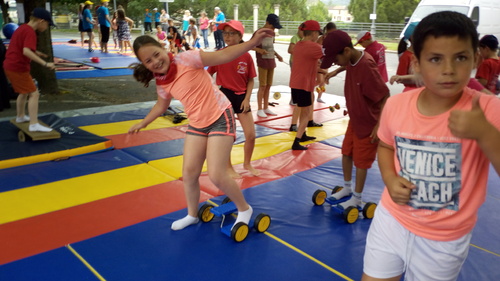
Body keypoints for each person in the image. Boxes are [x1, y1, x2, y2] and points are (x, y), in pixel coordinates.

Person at [362, 11, 500, 281]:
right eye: (435, 59)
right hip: (392, 220)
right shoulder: (397, 105)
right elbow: (386, 146)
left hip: (444, 238)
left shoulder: (487, 109)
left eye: (460, 58)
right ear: (417, 64)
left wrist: (485, 134)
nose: (448, 70)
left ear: (475, 59)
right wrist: (390, 178)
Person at [128, 29, 274, 231]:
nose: (155, 62)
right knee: (188, 173)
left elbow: (223, 55)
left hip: (220, 117)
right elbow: (161, 106)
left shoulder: (187, 58)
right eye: (148, 61)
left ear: (164, 48)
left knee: (216, 174)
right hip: (197, 124)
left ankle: (244, 208)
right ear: (144, 65)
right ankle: (192, 214)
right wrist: (143, 123)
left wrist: (251, 42)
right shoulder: (162, 82)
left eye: (156, 54)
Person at [321, 30, 389, 208]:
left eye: (335, 59)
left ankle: (357, 198)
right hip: (355, 118)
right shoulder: (351, 58)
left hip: (368, 122)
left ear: (346, 51)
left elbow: (385, 96)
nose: (334, 62)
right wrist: (336, 70)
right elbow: (347, 63)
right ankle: (347, 188)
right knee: (346, 152)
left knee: (361, 161)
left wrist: (379, 126)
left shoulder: (367, 67)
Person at [207, 20, 260, 177]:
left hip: (242, 97)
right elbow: (208, 73)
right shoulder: (220, 54)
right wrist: (214, 90)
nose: (227, 36)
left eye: (231, 33)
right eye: (225, 33)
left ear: (240, 36)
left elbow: (251, 79)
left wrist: (247, 98)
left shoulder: (246, 56)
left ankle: (247, 163)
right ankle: (228, 167)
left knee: (250, 134)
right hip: (225, 96)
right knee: (228, 136)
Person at [3, 7, 56, 132]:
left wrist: (37, 52)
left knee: (24, 92)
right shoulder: (30, 32)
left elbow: (22, 46)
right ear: (41, 21)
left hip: (11, 65)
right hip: (17, 67)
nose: (46, 27)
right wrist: (45, 64)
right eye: (47, 24)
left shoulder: (22, 28)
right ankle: (33, 124)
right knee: (34, 93)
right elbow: (26, 51)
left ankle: (20, 117)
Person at [289, 20, 324, 150]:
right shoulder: (314, 47)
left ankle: (302, 134)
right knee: (306, 112)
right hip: (303, 84)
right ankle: (296, 141)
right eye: (318, 34)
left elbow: (308, 62)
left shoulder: (298, 44)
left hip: (296, 82)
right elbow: (329, 56)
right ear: (314, 33)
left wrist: (319, 70)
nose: (318, 37)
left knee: (303, 108)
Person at [253, 14, 283, 118]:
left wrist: (277, 55)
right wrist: (259, 50)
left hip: (271, 61)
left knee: (269, 85)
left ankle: (266, 107)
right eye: (273, 26)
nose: (274, 28)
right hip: (262, 62)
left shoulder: (272, 34)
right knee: (262, 85)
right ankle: (259, 109)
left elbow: (271, 47)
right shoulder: (259, 33)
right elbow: (251, 45)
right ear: (267, 22)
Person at [391, 21, 419, 92]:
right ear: (412, 37)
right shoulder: (406, 56)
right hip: (412, 92)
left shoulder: (426, 55)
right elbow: (401, 78)